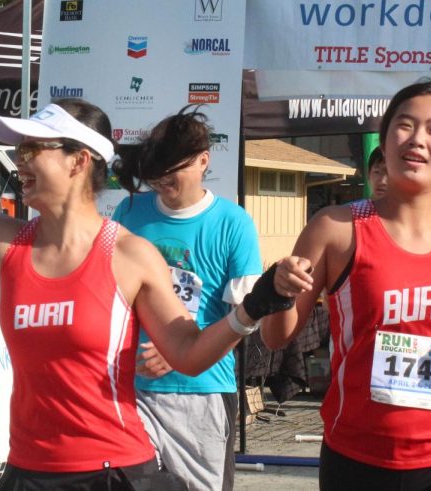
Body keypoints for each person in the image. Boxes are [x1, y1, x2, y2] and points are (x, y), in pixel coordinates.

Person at [0, 73, 293, 489]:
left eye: (32, 149)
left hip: (112, 472)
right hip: (28, 470)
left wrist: (249, 310)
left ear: (77, 160)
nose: (19, 160)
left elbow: (188, 354)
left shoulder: (128, 254)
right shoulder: (4, 241)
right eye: (19, 149)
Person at [259, 79, 431, 490]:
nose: (417, 139)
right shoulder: (335, 229)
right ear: (386, 139)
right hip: (358, 458)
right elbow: (275, 338)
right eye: (404, 125)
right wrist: (280, 290)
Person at [110, 106, 262, 491]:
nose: (161, 179)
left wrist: (180, 349)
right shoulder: (129, 211)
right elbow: (110, 296)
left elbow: (246, 316)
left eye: (172, 168)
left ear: (203, 161)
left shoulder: (234, 223)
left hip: (203, 392)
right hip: (134, 392)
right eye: (155, 170)